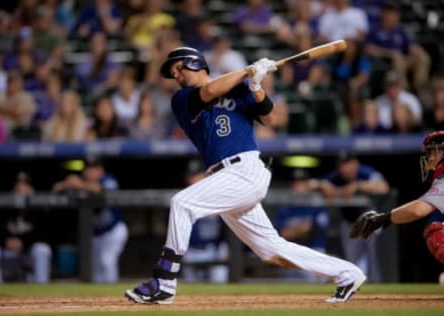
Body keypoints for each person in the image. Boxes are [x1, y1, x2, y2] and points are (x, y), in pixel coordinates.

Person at [124, 46, 366, 304]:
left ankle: (164, 281)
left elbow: (272, 117)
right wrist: (247, 71)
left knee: (182, 203)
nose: (176, 75)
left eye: (179, 68)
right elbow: (210, 91)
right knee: (271, 250)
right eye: (173, 73)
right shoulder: (182, 98)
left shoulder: (238, 88)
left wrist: (255, 85)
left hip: (245, 170)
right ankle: (347, 273)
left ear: (195, 63)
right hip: (225, 177)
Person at [349, 130, 444, 300]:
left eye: (435, 151)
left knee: (438, 232)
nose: (431, 157)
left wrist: (382, 218)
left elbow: (418, 209)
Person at [305, 151, 390, 282]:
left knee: (374, 262)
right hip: (350, 223)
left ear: (355, 163)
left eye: (347, 164)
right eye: (341, 165)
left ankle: (377, 290)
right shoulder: (336, 177)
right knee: (353, 262)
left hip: (370, 223)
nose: (343, 168)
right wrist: (322, 185)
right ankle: (357, 289)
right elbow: (309, 184)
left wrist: (357, 185)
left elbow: (384, 187)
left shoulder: (365, 172)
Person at [52, 156, 128, 283]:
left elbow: (98, 189)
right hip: (95, 234)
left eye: (94, 169)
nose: (90, 172)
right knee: (95, 270)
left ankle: (114, 297)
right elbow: (56, 188)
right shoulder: (81, 181)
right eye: (88, 169)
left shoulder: (108, 179)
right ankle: (99, 300)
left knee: (107, 260)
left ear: (101, 170)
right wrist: (66, 183)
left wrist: (79, 185)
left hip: (113, 230)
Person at [0, 171, 52, 284]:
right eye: (18, 185)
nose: (21, 189)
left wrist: (23, 242)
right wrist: (5, 241)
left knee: (42, 250)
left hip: (27, 251)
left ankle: (42, 287)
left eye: (25, 185)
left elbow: (46, 234)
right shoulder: (1, 207)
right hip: (6, 251)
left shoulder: (39, 209)